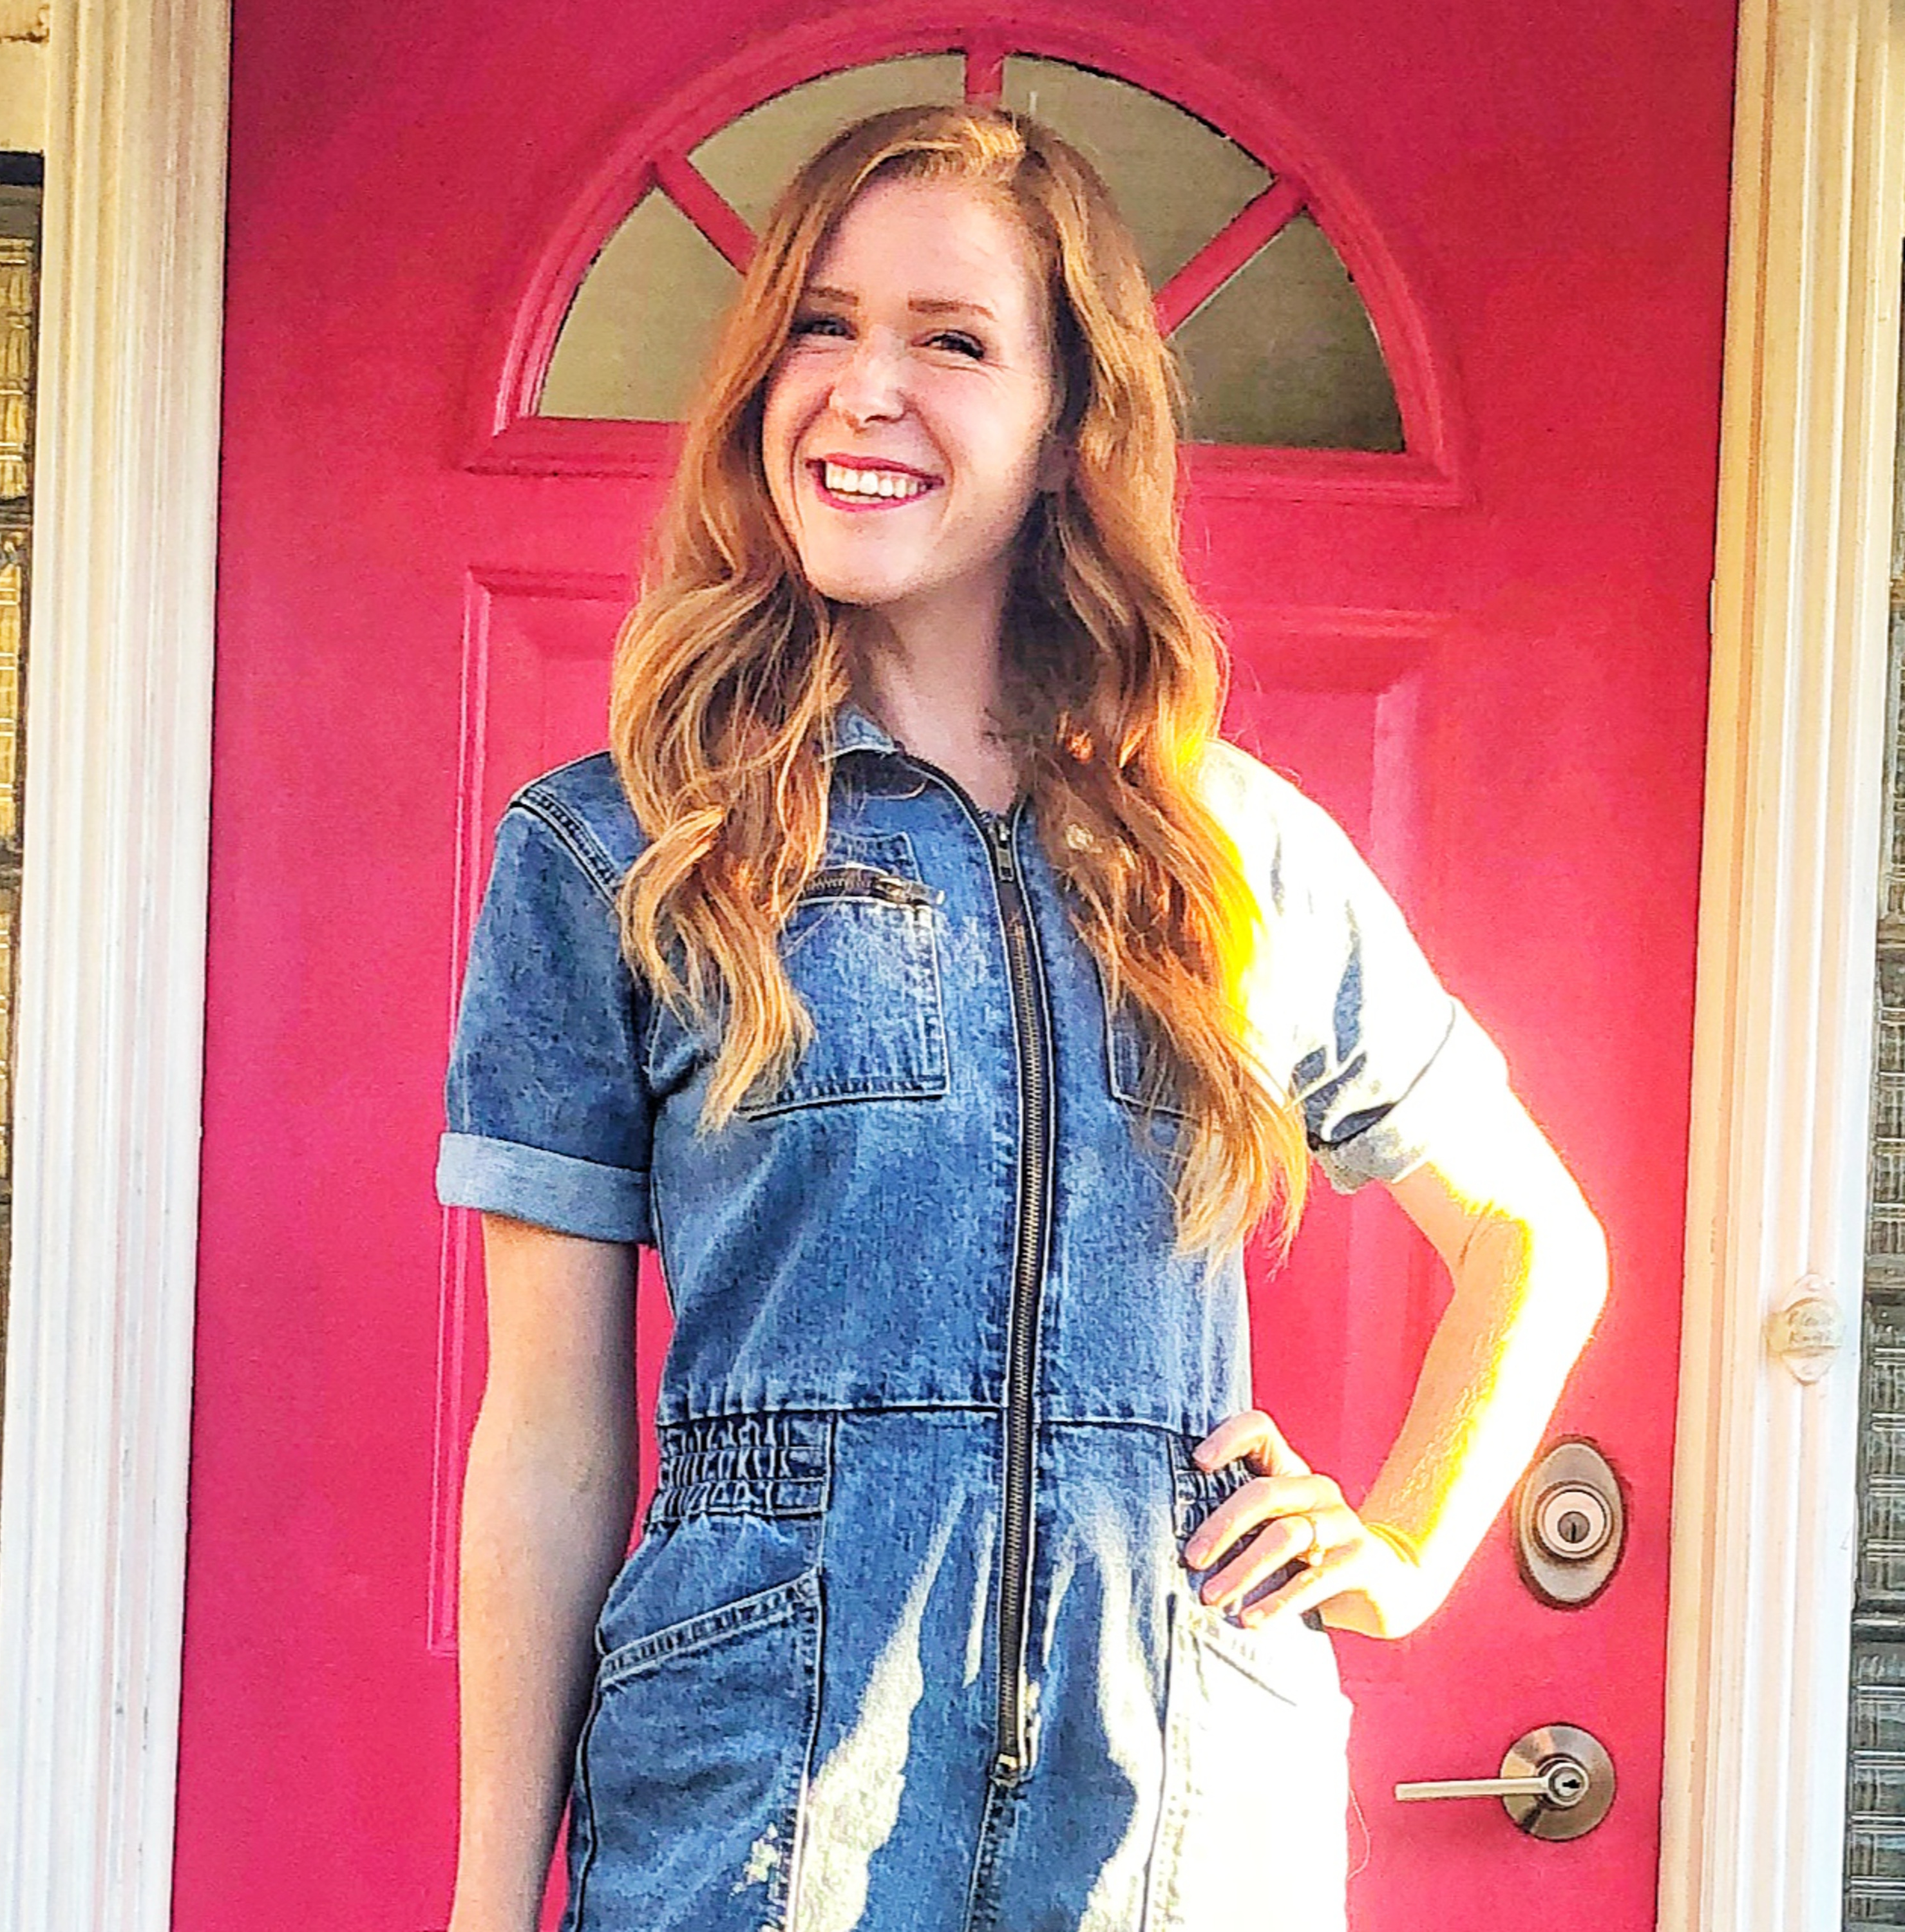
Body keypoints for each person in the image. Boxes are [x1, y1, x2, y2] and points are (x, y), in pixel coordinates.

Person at [437, 101, 1609, 1932]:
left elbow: (1536, 1234)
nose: (865, 389)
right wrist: (485, 1900)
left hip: (1178, 1805)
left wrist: (1403, 1545)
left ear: (1068, 427)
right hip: (758, 1801)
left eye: (954, 342)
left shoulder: (1235, 851)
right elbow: (548, 1442)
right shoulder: (618, 851)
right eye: (821, 326)